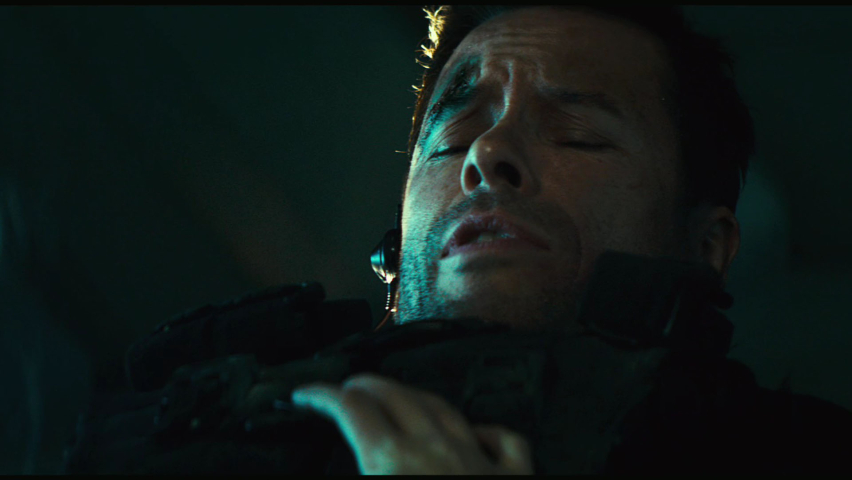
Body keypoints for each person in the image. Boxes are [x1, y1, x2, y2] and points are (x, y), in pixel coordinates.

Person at [62, 5, 852, 475]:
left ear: (708, 247)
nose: (488, 154)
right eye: (450, 137)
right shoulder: (153, 430)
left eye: (577, 133)